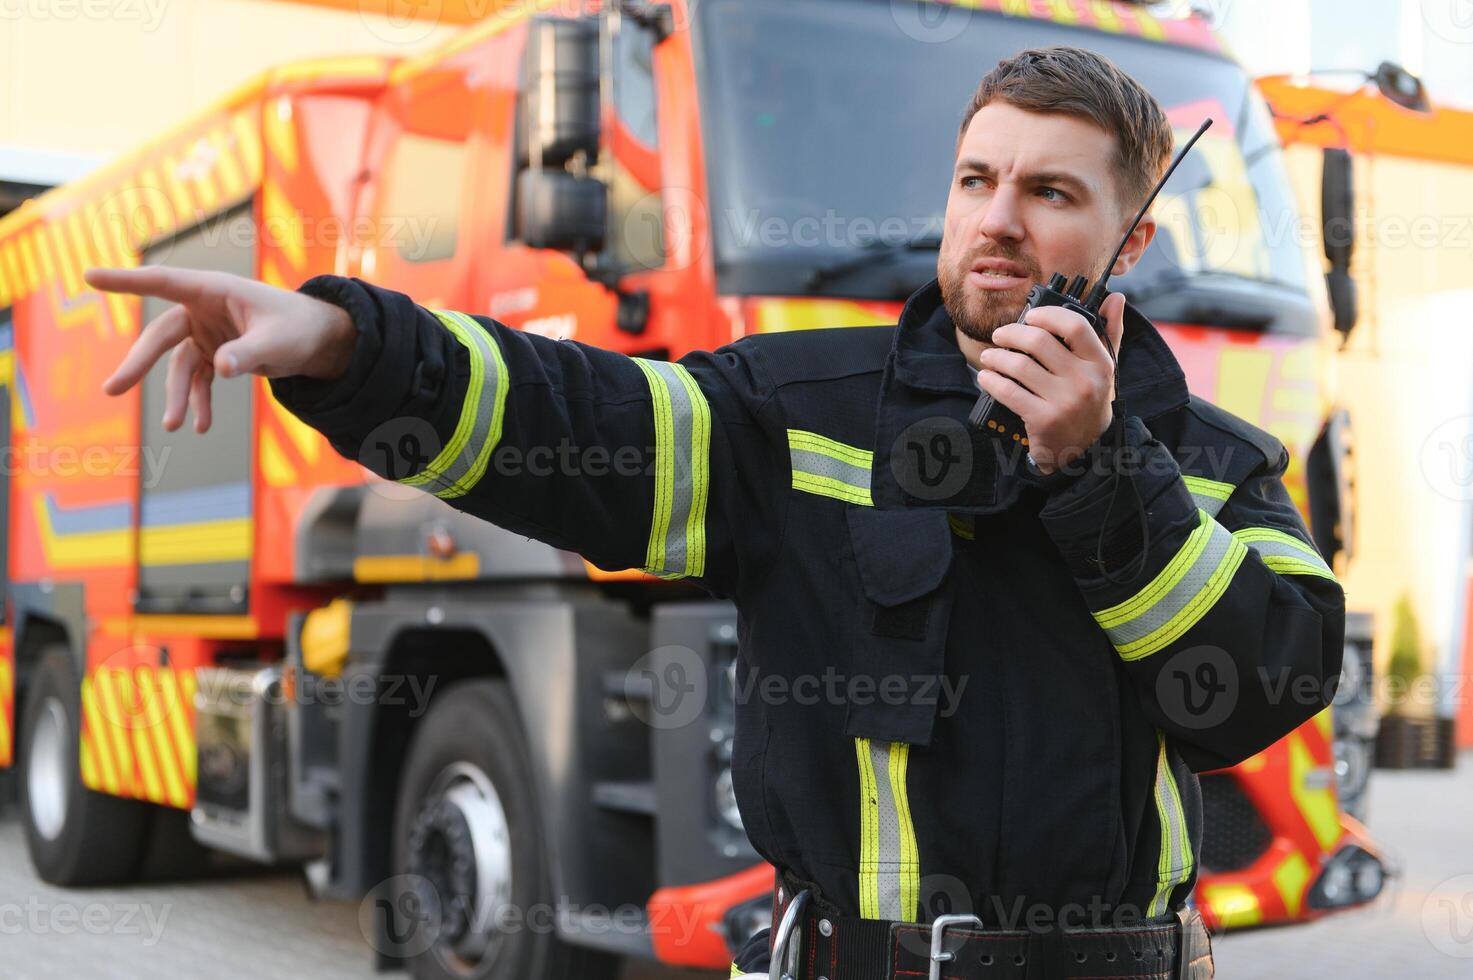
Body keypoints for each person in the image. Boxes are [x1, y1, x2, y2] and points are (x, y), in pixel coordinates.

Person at [90, 45, 1342, 980]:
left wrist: (1099, 466)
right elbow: (563, 417)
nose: (1000, 217)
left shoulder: (1216, 462)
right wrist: (344, 342)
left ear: (1132, 237)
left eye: (1052, 192)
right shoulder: (790, 412)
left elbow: (1252, 692)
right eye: (977, 179)